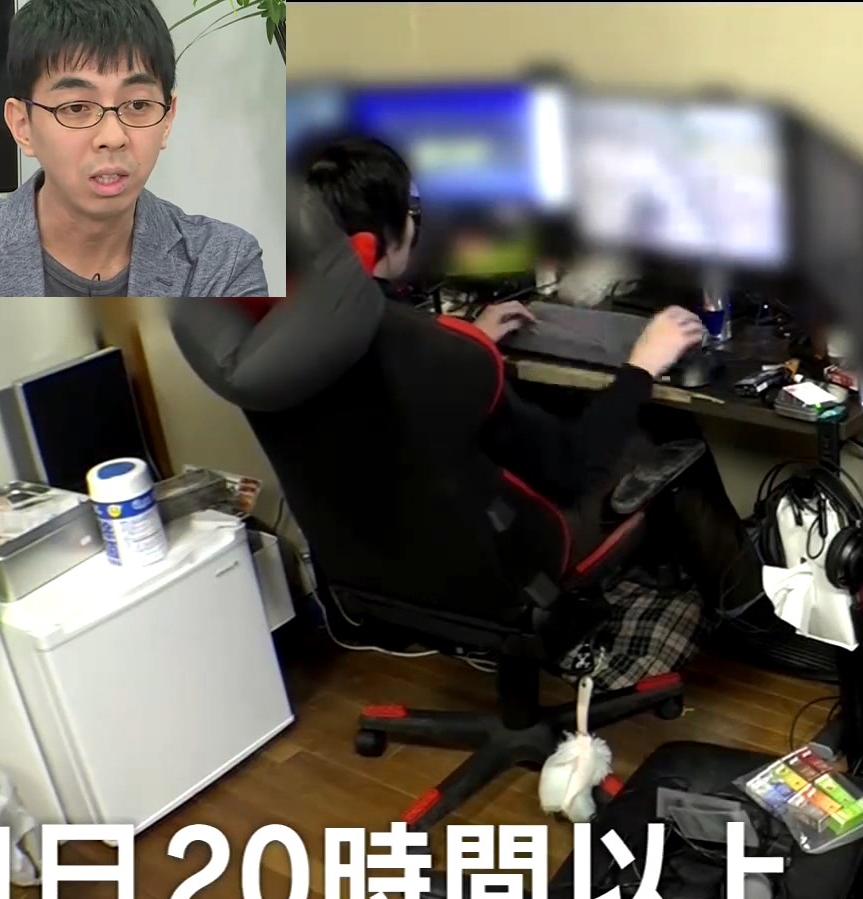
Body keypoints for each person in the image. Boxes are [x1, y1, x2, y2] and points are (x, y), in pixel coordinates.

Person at [300, 136, 761, 619]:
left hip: (384, 565)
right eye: (411, 211)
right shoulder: (441, 355)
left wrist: (470, 338)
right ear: (392, 232)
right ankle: (747, 616)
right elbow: (569, 470)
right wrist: (643, 365)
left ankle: (698, 594)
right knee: (667, 429)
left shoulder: (295, 341)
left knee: (563, 408)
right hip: (512, 564)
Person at [0, 0, 265, 297]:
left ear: (167, 119)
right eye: (77, 107)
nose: (113, 136)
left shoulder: (224, 261)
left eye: (137, 104)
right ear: (22, 125)